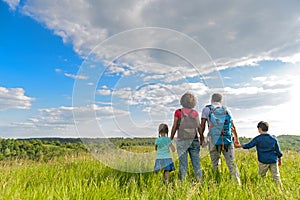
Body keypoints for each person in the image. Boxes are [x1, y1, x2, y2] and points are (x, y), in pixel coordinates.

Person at [200, 93, 241, 184]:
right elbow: (233, 126)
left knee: (215, 163)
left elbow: (202, 125)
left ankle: (216, 182)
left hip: (213, 140)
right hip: (227, 139)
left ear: (211, 100)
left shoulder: (207, 109)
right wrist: (236, 139)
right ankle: (237, 184)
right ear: (221, 100)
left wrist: (202, 139)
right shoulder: (226, 110)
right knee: (231, 163)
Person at [170, 92, 204, 180]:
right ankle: (200, 181)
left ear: (182, 101)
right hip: (194, 140)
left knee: (183, 164)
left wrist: (171, 138)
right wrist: (202, 138)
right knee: (196, 163)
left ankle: (183, 183)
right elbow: (199, 126)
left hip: (182, 140)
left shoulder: (178, 112)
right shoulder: (194, 113)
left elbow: (174, 126)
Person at [237, 121, 283, 185]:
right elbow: (278, 151)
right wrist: (280, 160)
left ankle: (262, 187)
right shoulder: (273, 139)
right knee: (276, 176)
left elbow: (249, 145)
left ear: (260, 129)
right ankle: (280, 188)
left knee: (261, 176)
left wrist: (240, 145)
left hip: (263, 161)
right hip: (273, 160)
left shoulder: (258, 139)